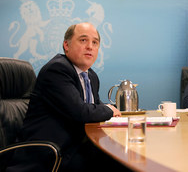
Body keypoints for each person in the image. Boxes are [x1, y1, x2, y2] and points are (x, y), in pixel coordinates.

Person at [7, 23, 124, 171]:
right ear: (66, 45)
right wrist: (109, 110)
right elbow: (81, 111)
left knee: (119, 156)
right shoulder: (57, 70)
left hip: (75, 148)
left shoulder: (91, 76)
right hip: (49, 154)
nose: (90, 46)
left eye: (95, 42)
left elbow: (95, 106)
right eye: (83, 40)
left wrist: (113, 112)